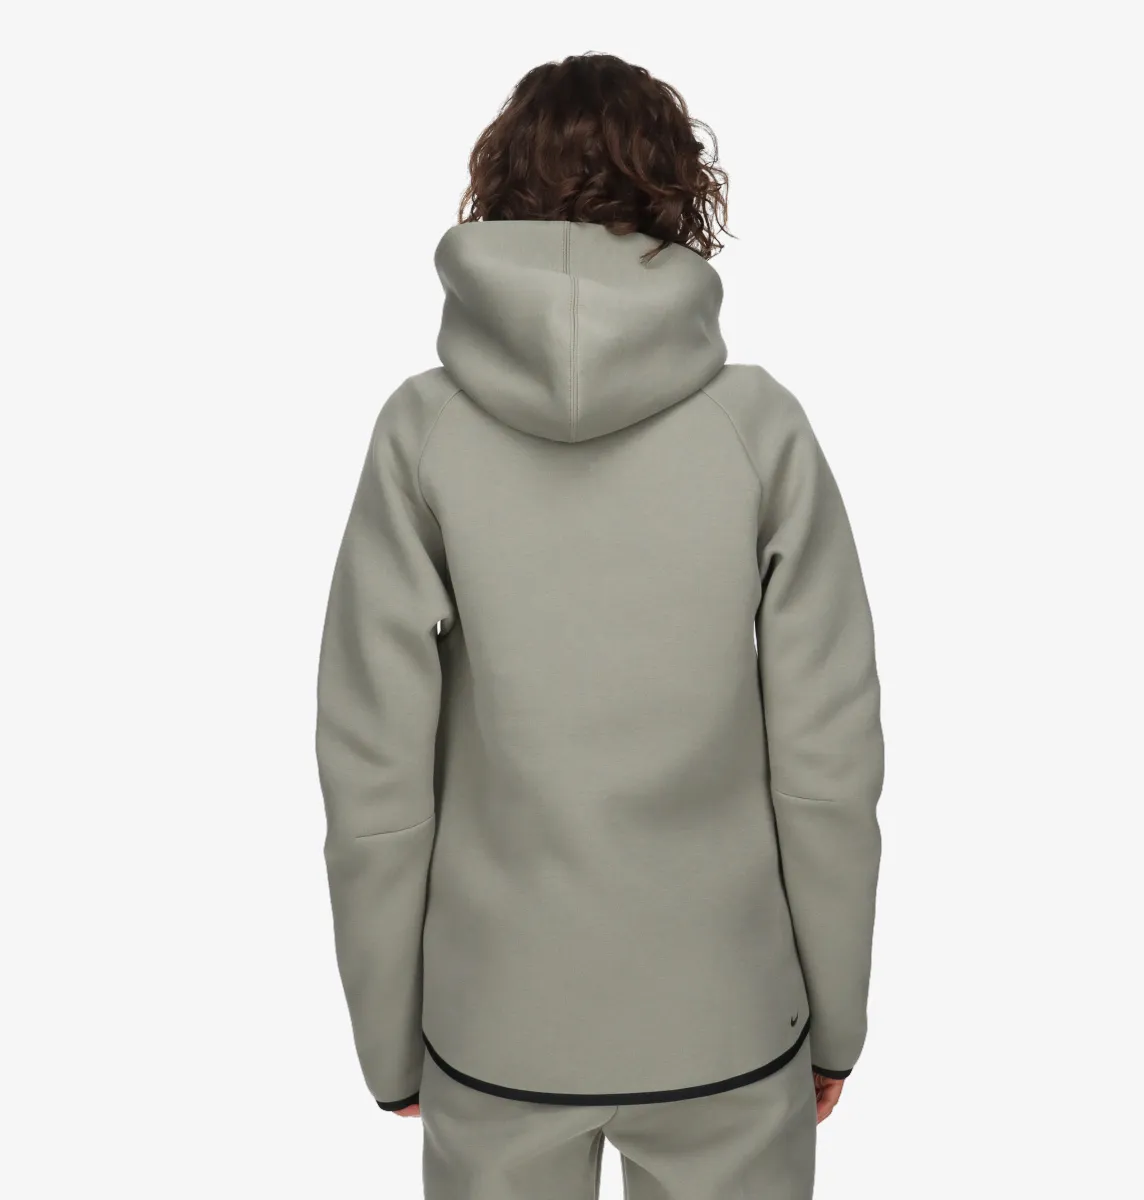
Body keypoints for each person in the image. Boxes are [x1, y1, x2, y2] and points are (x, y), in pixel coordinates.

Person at [316, 51, 885, 1200]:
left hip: (496, 1027)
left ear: (499, 190)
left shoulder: (422, 432)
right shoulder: (757, 428)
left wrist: (390, 1042)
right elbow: (827, 762)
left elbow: (374, 769)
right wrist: (834, 1020)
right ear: (679, 196)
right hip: (727, 1021)